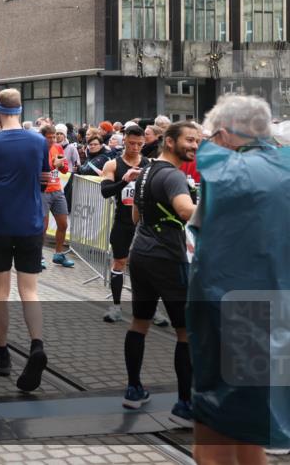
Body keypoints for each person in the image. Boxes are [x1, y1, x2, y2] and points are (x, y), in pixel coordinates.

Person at [188, 95, 289, 463]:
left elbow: (206, 248)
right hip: (276, 315)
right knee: (250, 433)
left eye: (213, 136)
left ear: (228, 134)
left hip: (226, 312)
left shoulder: (227, 175)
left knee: (211, 441)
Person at [122, 121, 199, 428]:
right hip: (168, 259)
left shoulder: (146, 171)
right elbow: (185, 211)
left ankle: (133, 389)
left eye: (197, 141)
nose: (194, 145)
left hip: (140, 254)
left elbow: (135, 215)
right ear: (169, 141)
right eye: (189, 140)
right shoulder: (173, 175)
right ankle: (184, 406)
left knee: (140, 322)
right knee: (186, 332)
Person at [0, 88, 50, 392]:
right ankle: (36, 345)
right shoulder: (39, 141)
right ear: (21, 110)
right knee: (29, 290)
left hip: (1, 223)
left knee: (1, 290)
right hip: (31, 222)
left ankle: (3, 355)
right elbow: (45, 179)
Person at [99, 124, 149, 323]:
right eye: (131, 143)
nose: (135, 148)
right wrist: (125, 180)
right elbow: (105, 192)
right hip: (123, 222)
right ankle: (116, 307)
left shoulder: (148, 164)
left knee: (147, 267)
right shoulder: (112, 165)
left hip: (144, 224)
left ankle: (149, 309)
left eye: (139, 144)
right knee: (119, 262)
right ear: (124, 141)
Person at [40, 125, 73, 269]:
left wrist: (61, 165)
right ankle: (39, 256)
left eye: (54, 137)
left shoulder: (58, 147)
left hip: (57, 190)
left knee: (63, 224)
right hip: (43, 191)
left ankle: (58, 254)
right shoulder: (38, 148)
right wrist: (54, 165)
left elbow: (64, 169)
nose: (53, 139)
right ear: (43, 137)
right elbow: (42, 167)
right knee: (43, 226)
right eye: (50, 137)